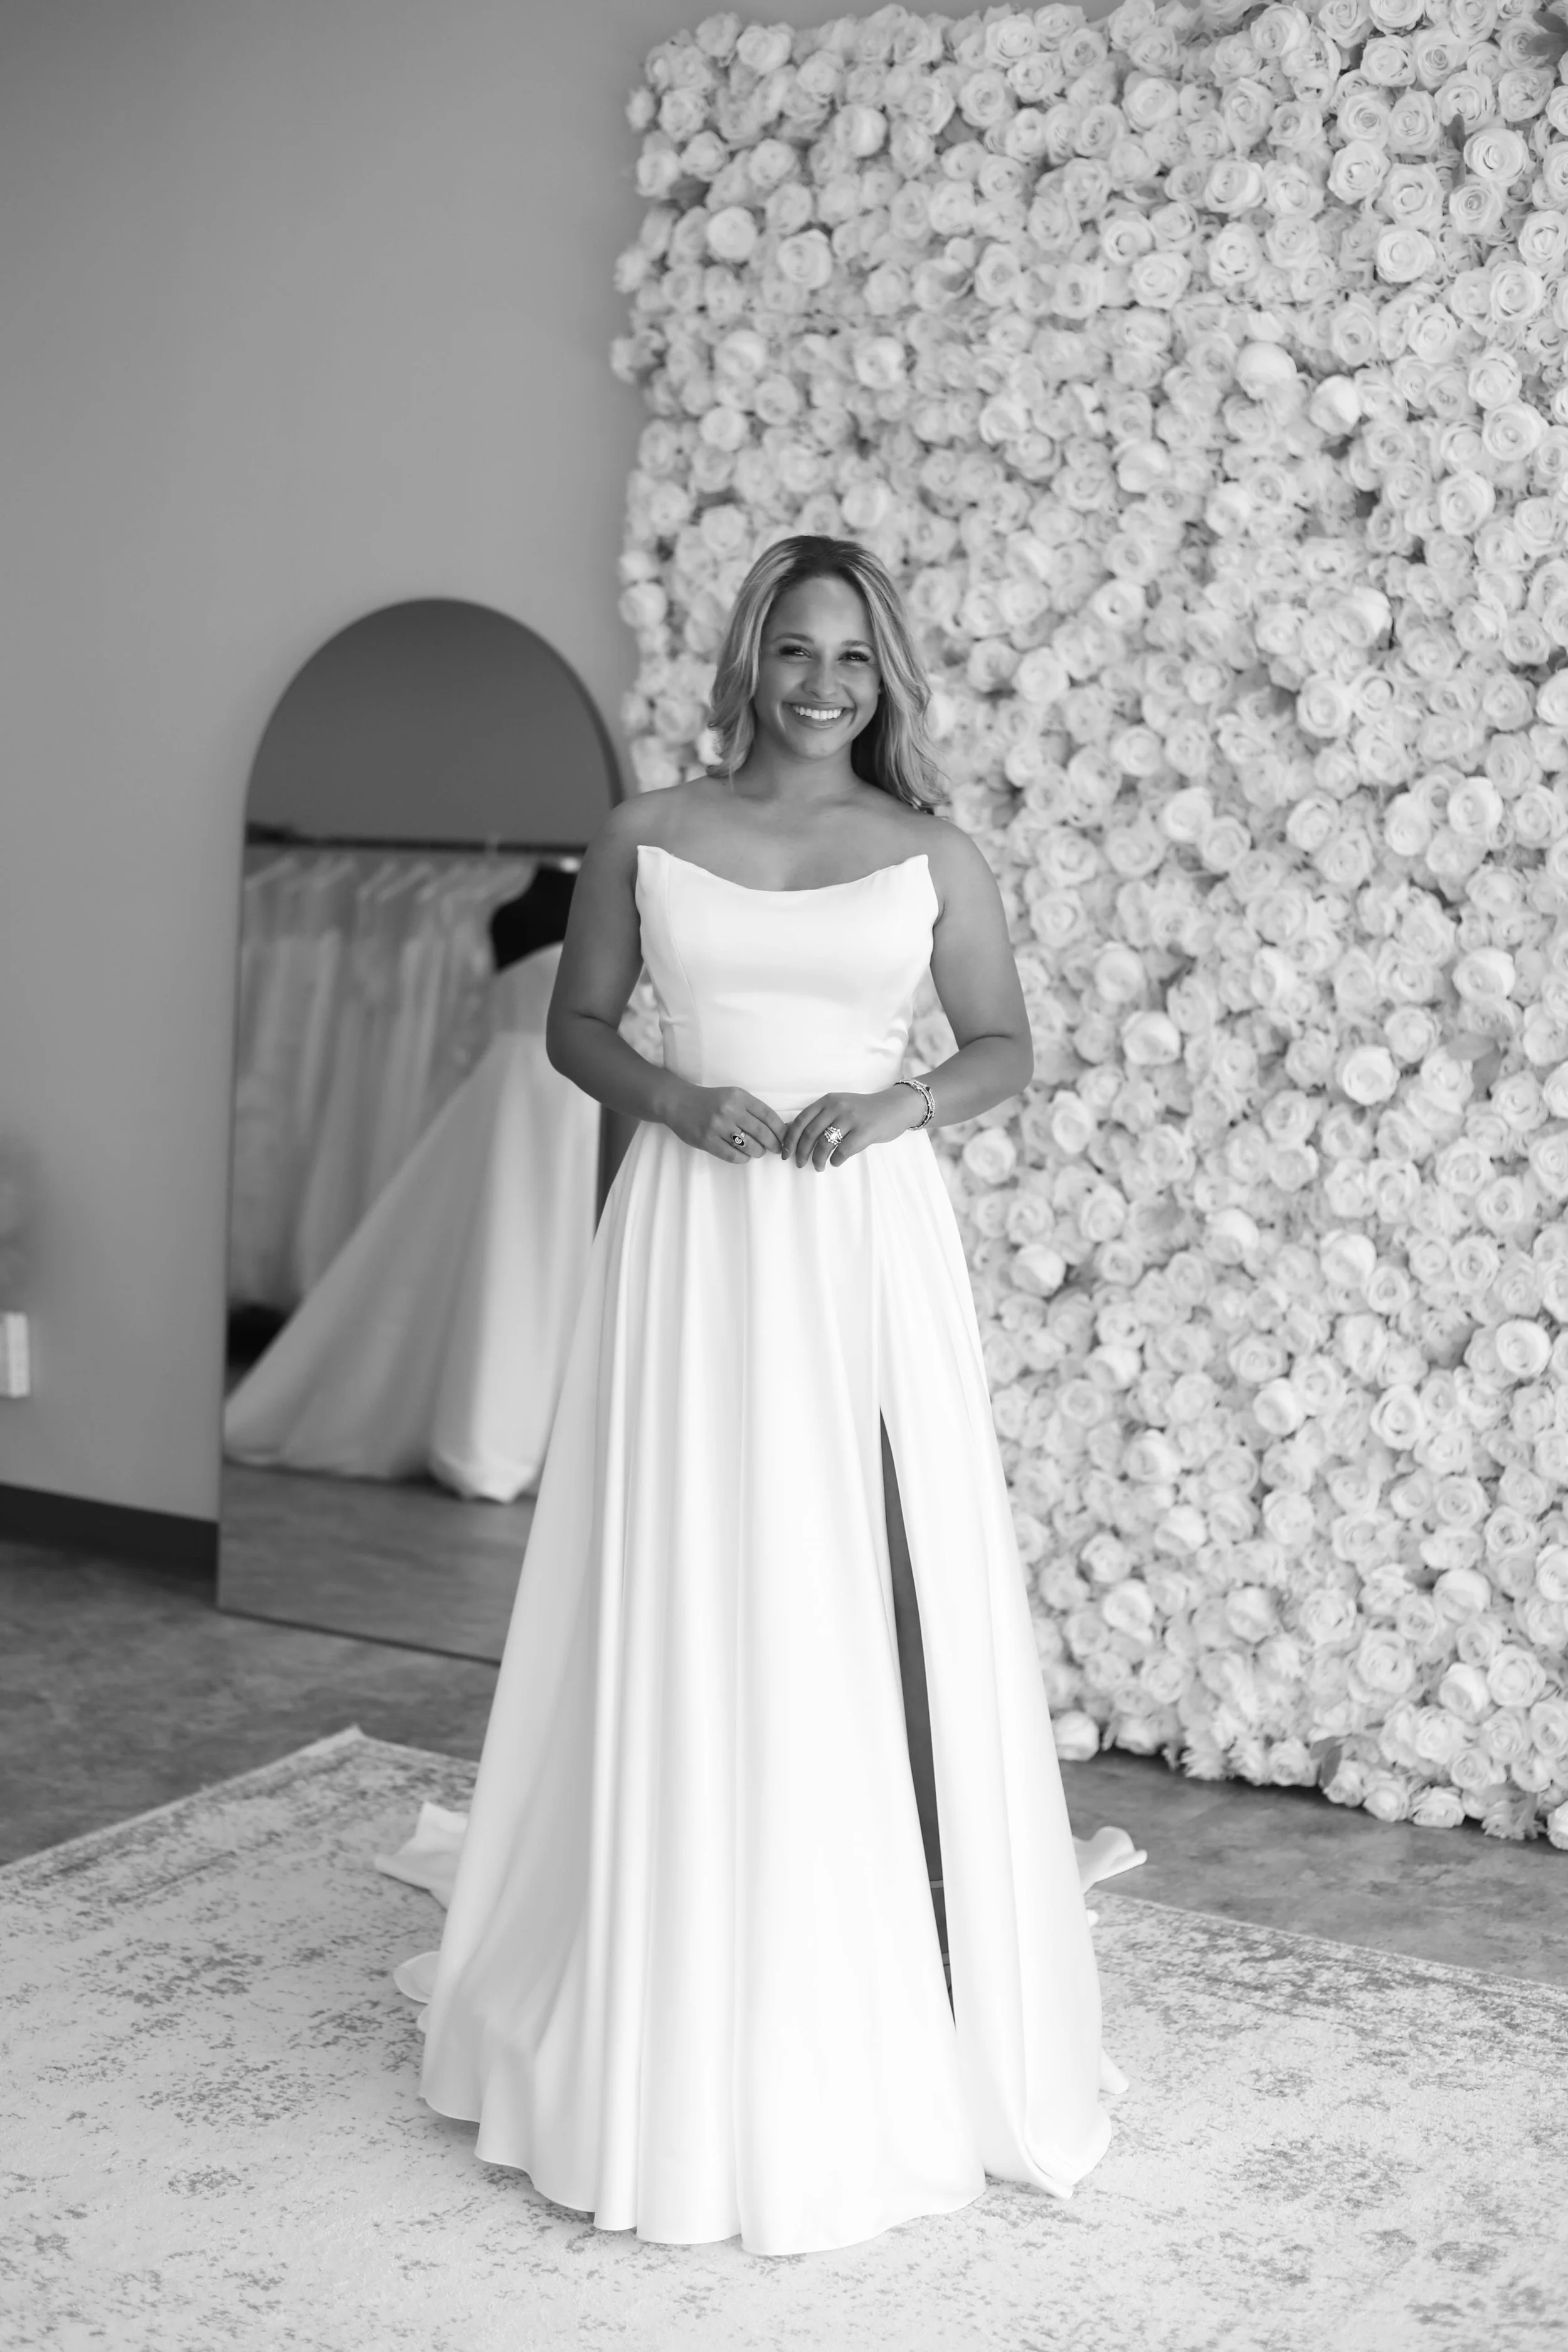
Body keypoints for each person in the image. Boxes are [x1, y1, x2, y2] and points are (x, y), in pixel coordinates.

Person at [382, 535, 1137, 2257]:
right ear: (748, 660)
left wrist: (891, 1108)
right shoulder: (646, 832)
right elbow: (578, 1025)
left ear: (886, 680)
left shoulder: (930, 853)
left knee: (862, 1571)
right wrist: (676, 1095)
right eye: (796, 650)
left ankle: (859, 1936)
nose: (822, 684)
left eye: (853, 659)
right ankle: (673, 1935)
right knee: (694, 1562)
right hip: (692, 1232)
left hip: (859, 1235)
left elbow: (1006, 1044)